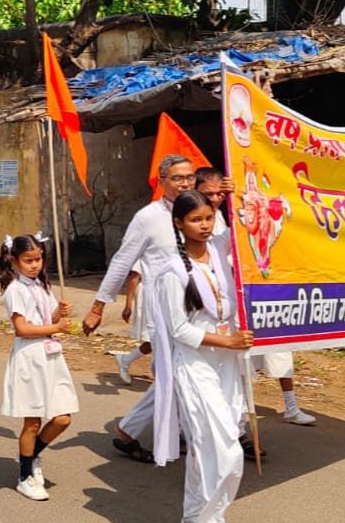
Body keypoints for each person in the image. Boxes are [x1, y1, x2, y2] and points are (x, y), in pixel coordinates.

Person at [150, 190, 253, 523]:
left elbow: (243, 225)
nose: (204, 225)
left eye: (208, 218)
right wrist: (228, 341)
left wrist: (236, 194)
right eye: (196, 220)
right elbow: (180, 329)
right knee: (225, 451)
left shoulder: (219, 251)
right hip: (196, 365)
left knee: (206, 449)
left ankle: (199, 517)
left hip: (227, 362)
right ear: (179, 223)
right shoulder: (172, 271)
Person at [85, 154, 196, 463]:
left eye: (190, 177)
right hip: (164, 310)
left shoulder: (201, 211)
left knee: (186, 373)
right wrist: (98, 306)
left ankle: (174, 431)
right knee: (174, 373)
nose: (185, 183)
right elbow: (123, 260)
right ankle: (133, 429)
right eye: (177, 178)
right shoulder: (148, 217)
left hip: (197, 308)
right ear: (162, 182)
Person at [195, 166, 314, 428]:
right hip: (219, 302)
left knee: (279, 346)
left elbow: (248, 231)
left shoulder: (225, 216)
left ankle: (290, 405)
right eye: (208, 193)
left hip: (251, 291)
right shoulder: (192, 221)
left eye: (218, 193)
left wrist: (238, 197)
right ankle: (239, 422)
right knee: (237, 362)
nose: (215, 198)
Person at [0, 234, 78, 501]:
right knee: (32, 421)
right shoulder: (15, 290)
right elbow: (22, 328)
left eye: (38, 259)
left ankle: (32, 456)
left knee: (63, 417)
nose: (35, 265)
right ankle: (24, 477)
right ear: (14, 261)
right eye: (28, 261)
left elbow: (46, 317)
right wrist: (56, 326)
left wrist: (59, 312)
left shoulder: (42, 285)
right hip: (30, 355)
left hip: (51, 355)